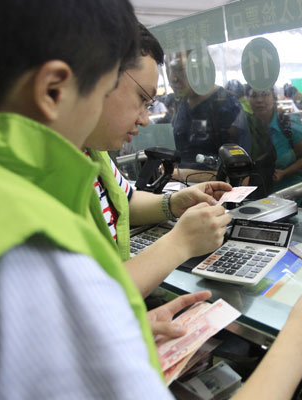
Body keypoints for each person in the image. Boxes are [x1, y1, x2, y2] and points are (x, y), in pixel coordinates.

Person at [0, 1, 302, 398]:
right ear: (54, 89)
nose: (145, 117)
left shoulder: (13, 192)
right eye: (109, 85)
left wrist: (114, 326)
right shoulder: (39, 250)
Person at [83, 23, 233, 298]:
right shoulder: (37, 179)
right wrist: (180, 243)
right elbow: (88, 301)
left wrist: (173, 203)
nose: (144, 118)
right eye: (141, 98)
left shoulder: (92, 151)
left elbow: (124, 201)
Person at [167, 52, 251, 182]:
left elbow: (241, 176)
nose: (173, 78)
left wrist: (179, 175)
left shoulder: (226, 105)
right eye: (169, 69)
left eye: (179, 70)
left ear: (201, 70)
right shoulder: (182, 103)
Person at [248, 87, 302, 194]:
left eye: (264, 94)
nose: (259, 100)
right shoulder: (245, 127)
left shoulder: (289, 124)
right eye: (254, 96)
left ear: (274, 98)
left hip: (290, 193)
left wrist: (285, 172)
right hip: (256, 195)